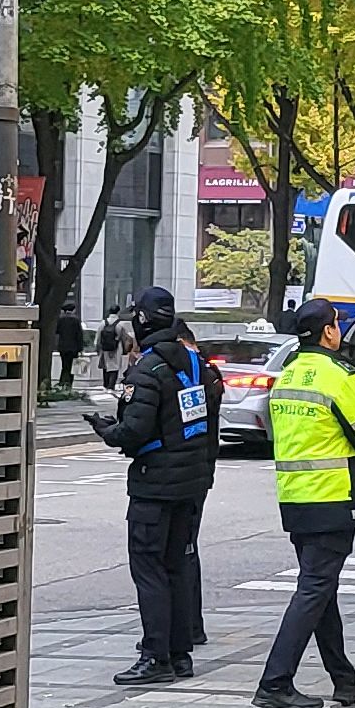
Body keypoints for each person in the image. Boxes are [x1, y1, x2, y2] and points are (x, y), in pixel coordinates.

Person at [254, 296, 355, 708]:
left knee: (320, 587)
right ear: (329, 331)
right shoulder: (339, 375)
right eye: (337, 324)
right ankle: (275, 682)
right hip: (332, 497)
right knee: (314, 588)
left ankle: (344, 679)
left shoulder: (287, 374)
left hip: (295, 497)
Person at [90, 286, 222, 687]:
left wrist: (107, 430)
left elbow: (134, 431)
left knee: (148, 568)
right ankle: (180, 654)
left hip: (155, 485)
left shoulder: (147, 370)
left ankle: (155, 656)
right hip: (191, 480)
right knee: (177, 565)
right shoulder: (196, 364)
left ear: (143, 321)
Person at [54, 304, 86, 390]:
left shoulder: (60, 319)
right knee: (72, 366)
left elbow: (57, 331)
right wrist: (81, 348)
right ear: (73, 310)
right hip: (73, 347)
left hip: (63, 347)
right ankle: (69, 384)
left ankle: (62, 382)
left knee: (64, 365)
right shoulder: (76, 320)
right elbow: (79, 335)